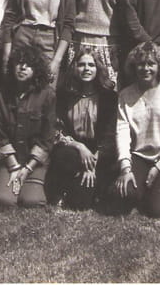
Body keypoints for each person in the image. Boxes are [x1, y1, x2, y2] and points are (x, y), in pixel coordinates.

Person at [113, 41, 160, 217]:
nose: (145, 68)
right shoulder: (125, 95)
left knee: (159, 210)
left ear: (159, 66)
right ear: (134, 66)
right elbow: (122, 133)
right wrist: (125, 168)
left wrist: (159, 166)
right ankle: (143, 191)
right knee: (124, 194)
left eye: (151, 64)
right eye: (140, 64)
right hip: (139, 156)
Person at [45, 47, 119, 210]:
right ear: (74, 68)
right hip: (72, 149)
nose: (86, 69)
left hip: (99, 153)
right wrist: (79, 147)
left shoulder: (109, 97)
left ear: (98, 69)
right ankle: (64, 187)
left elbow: (110, 135)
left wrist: (92, 164)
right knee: (64, 157)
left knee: (80, 203)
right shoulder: (63, 95)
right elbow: (56, 128)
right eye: (81, 65)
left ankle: (86, 189)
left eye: (91, 65)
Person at [0, 45, 57, 207]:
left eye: (29, 64)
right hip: (8, 159)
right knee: (4, 200)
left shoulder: (47, 95)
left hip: (34, 161)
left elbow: (47, 138)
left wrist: (27, 168)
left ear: (37, 70)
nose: (23, 67)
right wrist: (13, 166)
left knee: (32, 201)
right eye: (19, 63)